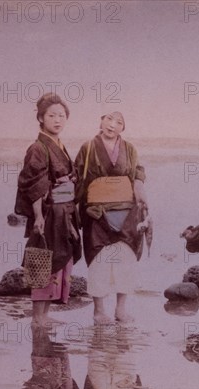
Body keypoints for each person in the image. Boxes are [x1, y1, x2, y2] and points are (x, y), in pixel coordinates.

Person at [74, 112, 148, 324]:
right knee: (99, 260)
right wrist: (74, 209)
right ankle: (98, 311)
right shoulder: (88, 148)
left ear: (123, 128)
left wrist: (140, 186)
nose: (112, 125)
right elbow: (78, 178)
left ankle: (120, 310)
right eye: (108, 119)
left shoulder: (130, 149)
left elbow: (137, 173)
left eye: (119, 122)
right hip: (97, 213)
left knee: (126, 260)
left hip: (126, 212)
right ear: (100, 121)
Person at [15, 93, 81, 328]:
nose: (57, 120)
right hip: (49, 212)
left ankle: (44, 314)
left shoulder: (59, 145)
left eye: (61, 115)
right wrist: (39, 216)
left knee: (58, 259)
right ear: (41, 118)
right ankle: (37, 317)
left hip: (64, 210)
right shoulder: (38, 147)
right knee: (42, 259)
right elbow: (35, 183)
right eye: (51, 115)